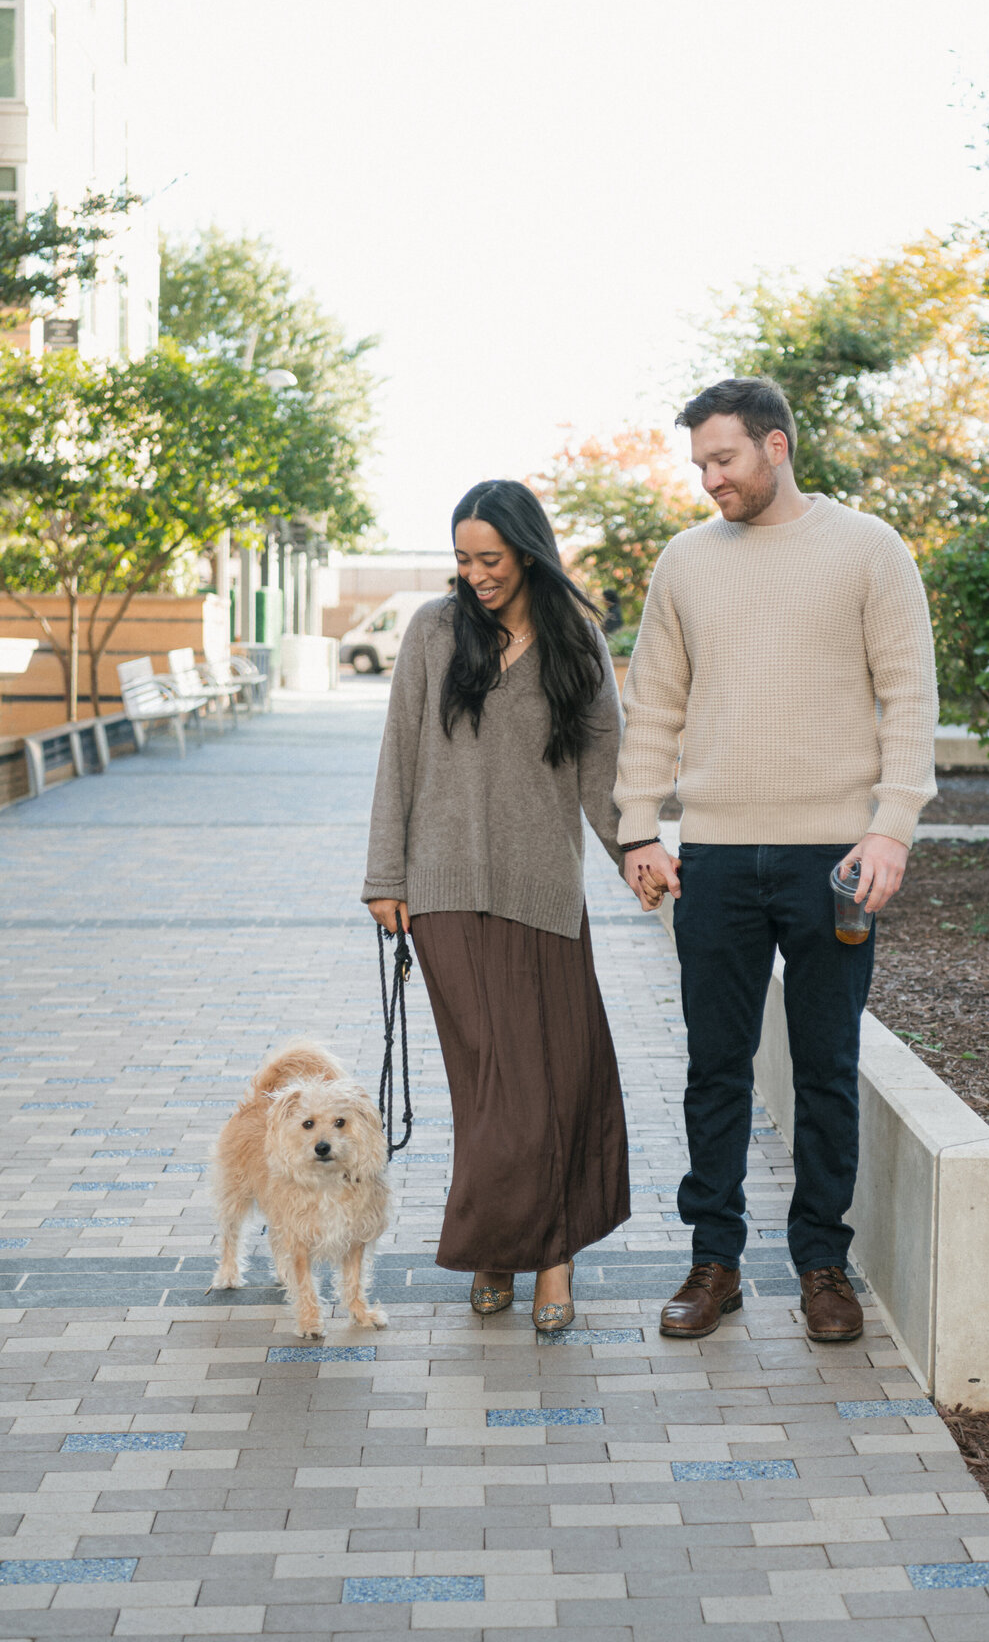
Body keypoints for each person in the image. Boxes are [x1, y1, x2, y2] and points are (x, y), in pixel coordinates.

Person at [615, 377, 937, 1342]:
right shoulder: (684, 563)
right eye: (700, 464)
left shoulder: (870, 550)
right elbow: (655, 705)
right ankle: (714, 1260)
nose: (710, 478)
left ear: (778, 446)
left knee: (827, 1067)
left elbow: (910, 698)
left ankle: (822, 1264)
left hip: (836, 859)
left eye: (725, 459)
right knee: (715, 1066)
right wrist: (639, 828)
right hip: (713, 854)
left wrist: (892, 827)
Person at [363, 479, 630, 1330]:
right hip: (443, 896)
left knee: (556, 1079)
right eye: (462, 559)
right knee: (492, 1087)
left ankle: (544, 1257)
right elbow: (398, 757)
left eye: (489, 558)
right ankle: (502, 1248)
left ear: (527, 550)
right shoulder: (434, 632)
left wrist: (640, 856)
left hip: (546, 893)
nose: (474, 573)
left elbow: (605, 773)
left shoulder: (575, 640)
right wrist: (385, 875)